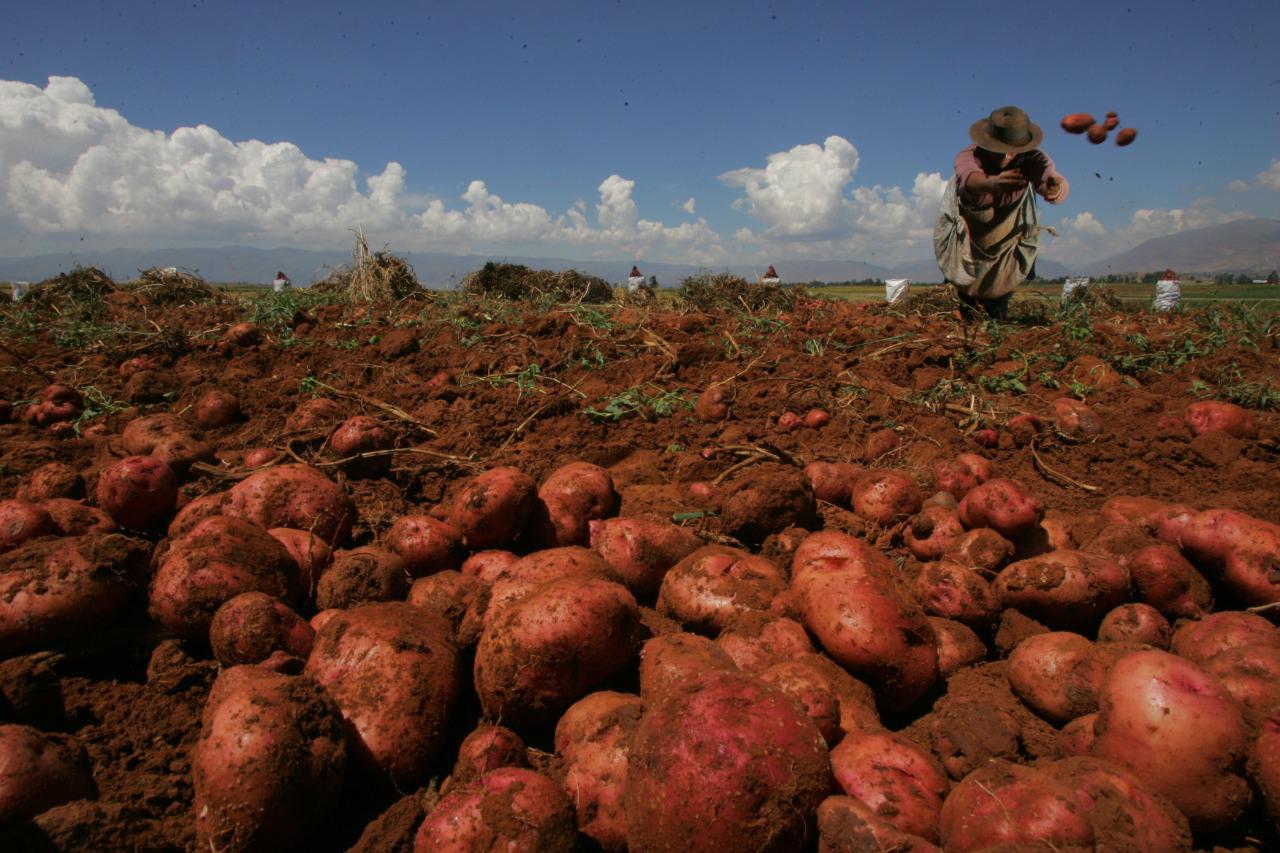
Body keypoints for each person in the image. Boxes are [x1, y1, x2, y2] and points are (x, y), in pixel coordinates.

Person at [934, 106, 1069, 320]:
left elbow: (1050, 178)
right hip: (972, 237)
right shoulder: (969, 156)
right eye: (1000, 149)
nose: (1006, 156)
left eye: (1011, 150)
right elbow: (969, 178)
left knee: (999, 302)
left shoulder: (1031, 159)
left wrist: (1055, 188)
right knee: (968, 302)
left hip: (1008, 237)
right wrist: (993, 183)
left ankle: (996, 321)